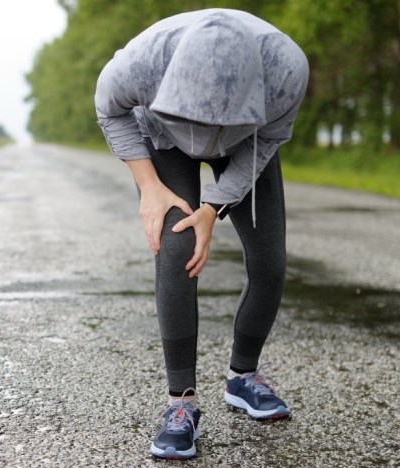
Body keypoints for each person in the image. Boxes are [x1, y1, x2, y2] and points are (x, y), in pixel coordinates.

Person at [94, 8, 309, 460]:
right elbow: (108, 110)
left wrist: (215, 206)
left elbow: (268, 141)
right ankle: (181, 405)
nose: (204, 134)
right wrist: (150, 187)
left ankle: (243, 378)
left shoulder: (287, 71)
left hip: (246, 145)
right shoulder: (142, 62)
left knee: (270, 261)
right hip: (164, 141)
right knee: (177, 250)